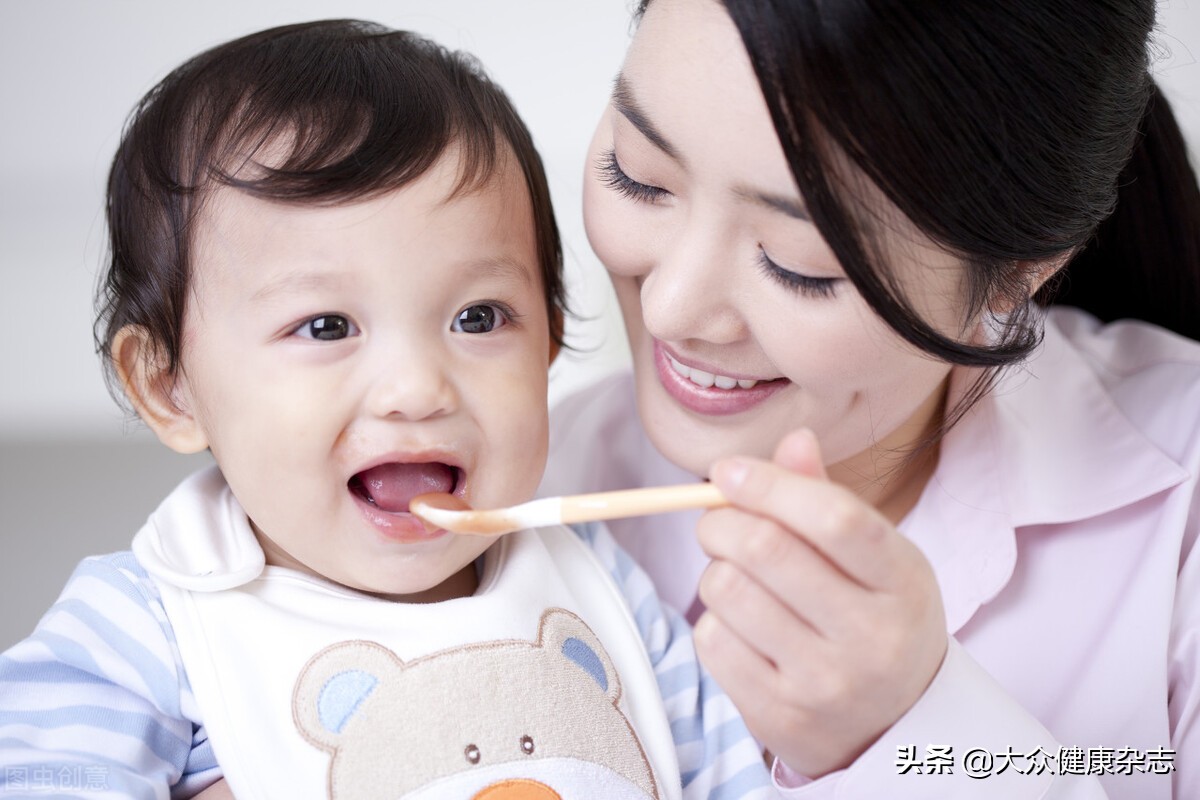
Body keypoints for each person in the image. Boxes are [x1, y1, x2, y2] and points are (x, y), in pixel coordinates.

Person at [0, 20, 774, 800]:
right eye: (326, 327)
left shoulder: (602, 583)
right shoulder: (143, 628)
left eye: (478, 318)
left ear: (550, 342)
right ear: (170, 388)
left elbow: (738, 778)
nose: (416, 389)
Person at [542, 0, 1200, 797]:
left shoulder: (1179, 514)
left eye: (799, 264)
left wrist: (913, 733)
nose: (669, 309)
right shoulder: (543, 485)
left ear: (1026, 265)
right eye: (638, 177)